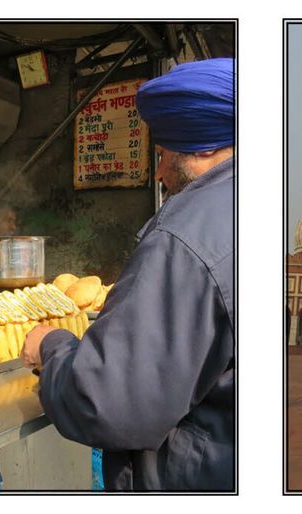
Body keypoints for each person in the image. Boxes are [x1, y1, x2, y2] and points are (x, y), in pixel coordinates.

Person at [20, 58, 236, 491]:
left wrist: (52, 345)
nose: (157, 173)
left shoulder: (184, 236)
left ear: (205, 148)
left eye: (162, 155)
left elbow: (109, 401)